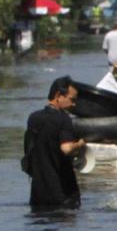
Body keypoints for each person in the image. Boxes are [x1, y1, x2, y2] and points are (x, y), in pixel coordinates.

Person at [22, 77, 84, 210]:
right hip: (62, 194)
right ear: (58, 95)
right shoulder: (63, 119)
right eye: (71, 99)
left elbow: (29, 151)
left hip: (38, 195)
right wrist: (80, 144)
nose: (74, 104)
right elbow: (66, 149)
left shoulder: (33, 118)